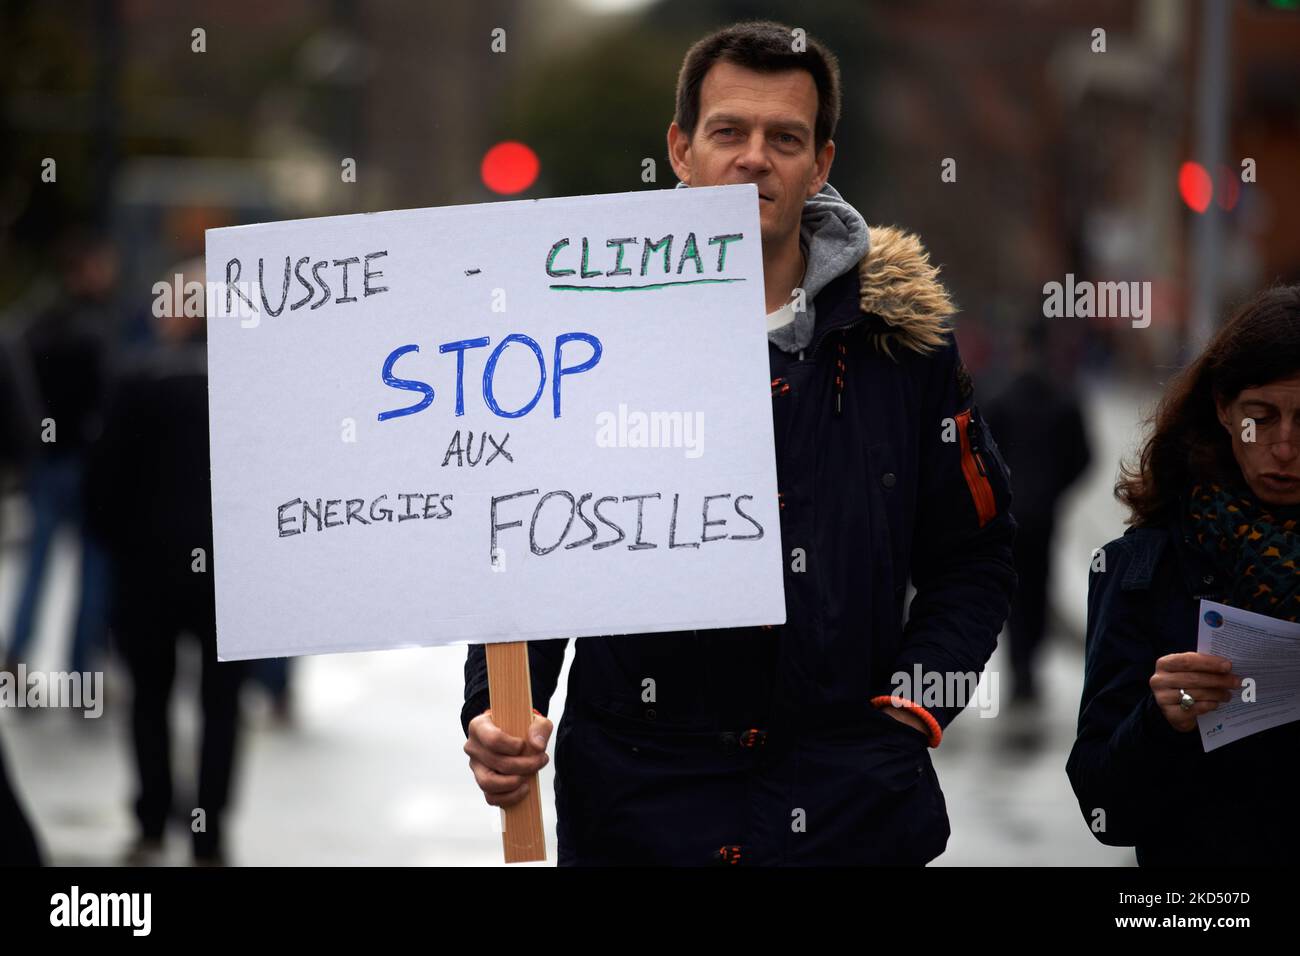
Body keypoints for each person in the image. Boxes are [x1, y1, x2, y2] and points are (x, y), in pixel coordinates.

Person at [461, 20, 1017, 865]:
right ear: (682, 150)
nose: (755, 157)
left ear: (821, 163)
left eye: (784, 138)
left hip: (850, 811)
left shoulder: (904, 350)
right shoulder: (581, 339)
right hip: (637, 809)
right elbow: (527, 544)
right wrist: (499, 711)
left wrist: (912, 709)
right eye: (729, 132)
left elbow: (976, 557)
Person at [1067, 284, 1300, 865]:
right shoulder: (1146, 567)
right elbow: (1104, 806)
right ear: (1223, 409)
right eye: (1260, 418)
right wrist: (1161, 720)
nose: (1284, 446)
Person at [84, 259, 248, 866]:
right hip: (230, 577)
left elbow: (100, 486)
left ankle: (153, 816)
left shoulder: (137, 380)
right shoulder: (249, 385)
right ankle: (211, 828)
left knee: (149, 698)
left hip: (146, 573)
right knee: (222, 704)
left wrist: (119, 546)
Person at [4, 228, 113, 675]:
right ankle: (80, 666)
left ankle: (19, 652)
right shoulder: (95, 327)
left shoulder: (32, 323)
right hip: (84, 460)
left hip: (46, 462)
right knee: (91, 568)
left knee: (38, 563)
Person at [985, 319, 1091, 706]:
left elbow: (981, 457)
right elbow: (1083, 457)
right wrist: (1054, 490)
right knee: (1038, 588)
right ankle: (1030, 669)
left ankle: (1021, 670)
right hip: (1043, 517)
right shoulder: (1063, 399)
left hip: (1011, 517)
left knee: (1014, 594)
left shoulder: (999, 400)